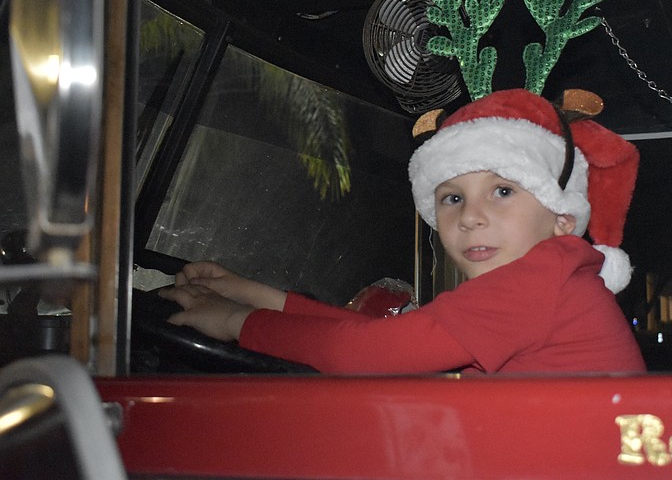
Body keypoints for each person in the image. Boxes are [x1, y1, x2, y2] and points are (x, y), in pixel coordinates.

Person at [160, 88, 646, 374]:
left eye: (502, 191)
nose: (469, 216)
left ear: (562, 219)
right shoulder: (550, 280)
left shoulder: (543, 278)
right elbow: (386, 336)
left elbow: (365, 352)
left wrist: (232, 323)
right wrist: (251, 294)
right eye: (452, 198)